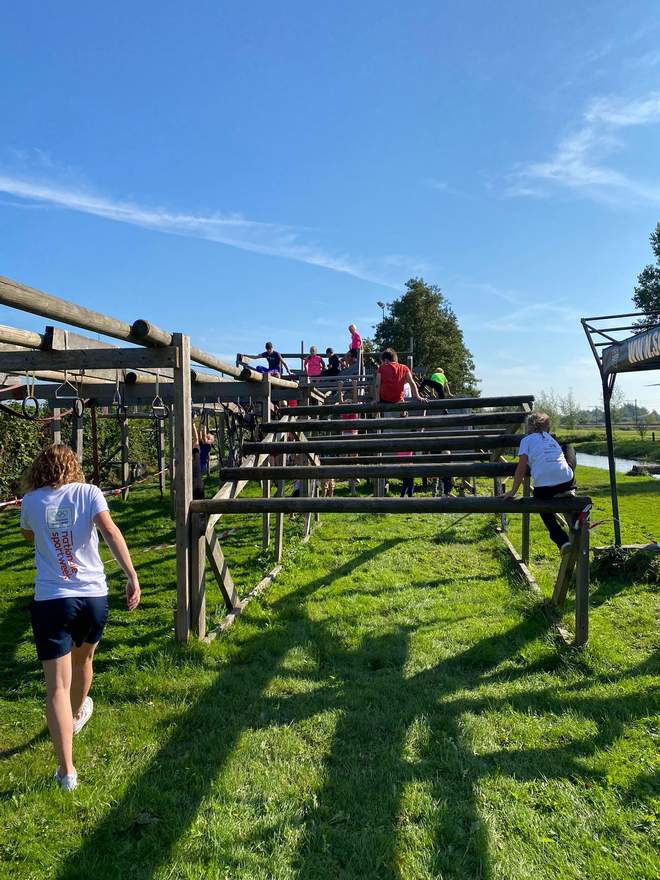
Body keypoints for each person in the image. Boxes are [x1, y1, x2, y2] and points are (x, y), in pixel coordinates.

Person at [19, 444, 140, 792]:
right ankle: (72, 717)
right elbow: (111, 532)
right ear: (73, 465)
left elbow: (28, 535)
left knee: (56, 685)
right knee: (85, 658)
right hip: (92, 597)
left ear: (39, 469)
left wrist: (51, 535)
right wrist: (131, 575)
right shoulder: (89, 493)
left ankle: (66, 771)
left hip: (53, 600)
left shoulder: (31, 502)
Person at [503, 411, 576, 552]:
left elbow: (521, 467)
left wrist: (513, 491)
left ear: (528, 428)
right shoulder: (550, 439)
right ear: (546, 427)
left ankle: (561, 541)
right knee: (568, 447)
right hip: (566, 481)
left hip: (544, 489)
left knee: (542, 506)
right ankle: (569, 490)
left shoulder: (526, 440)